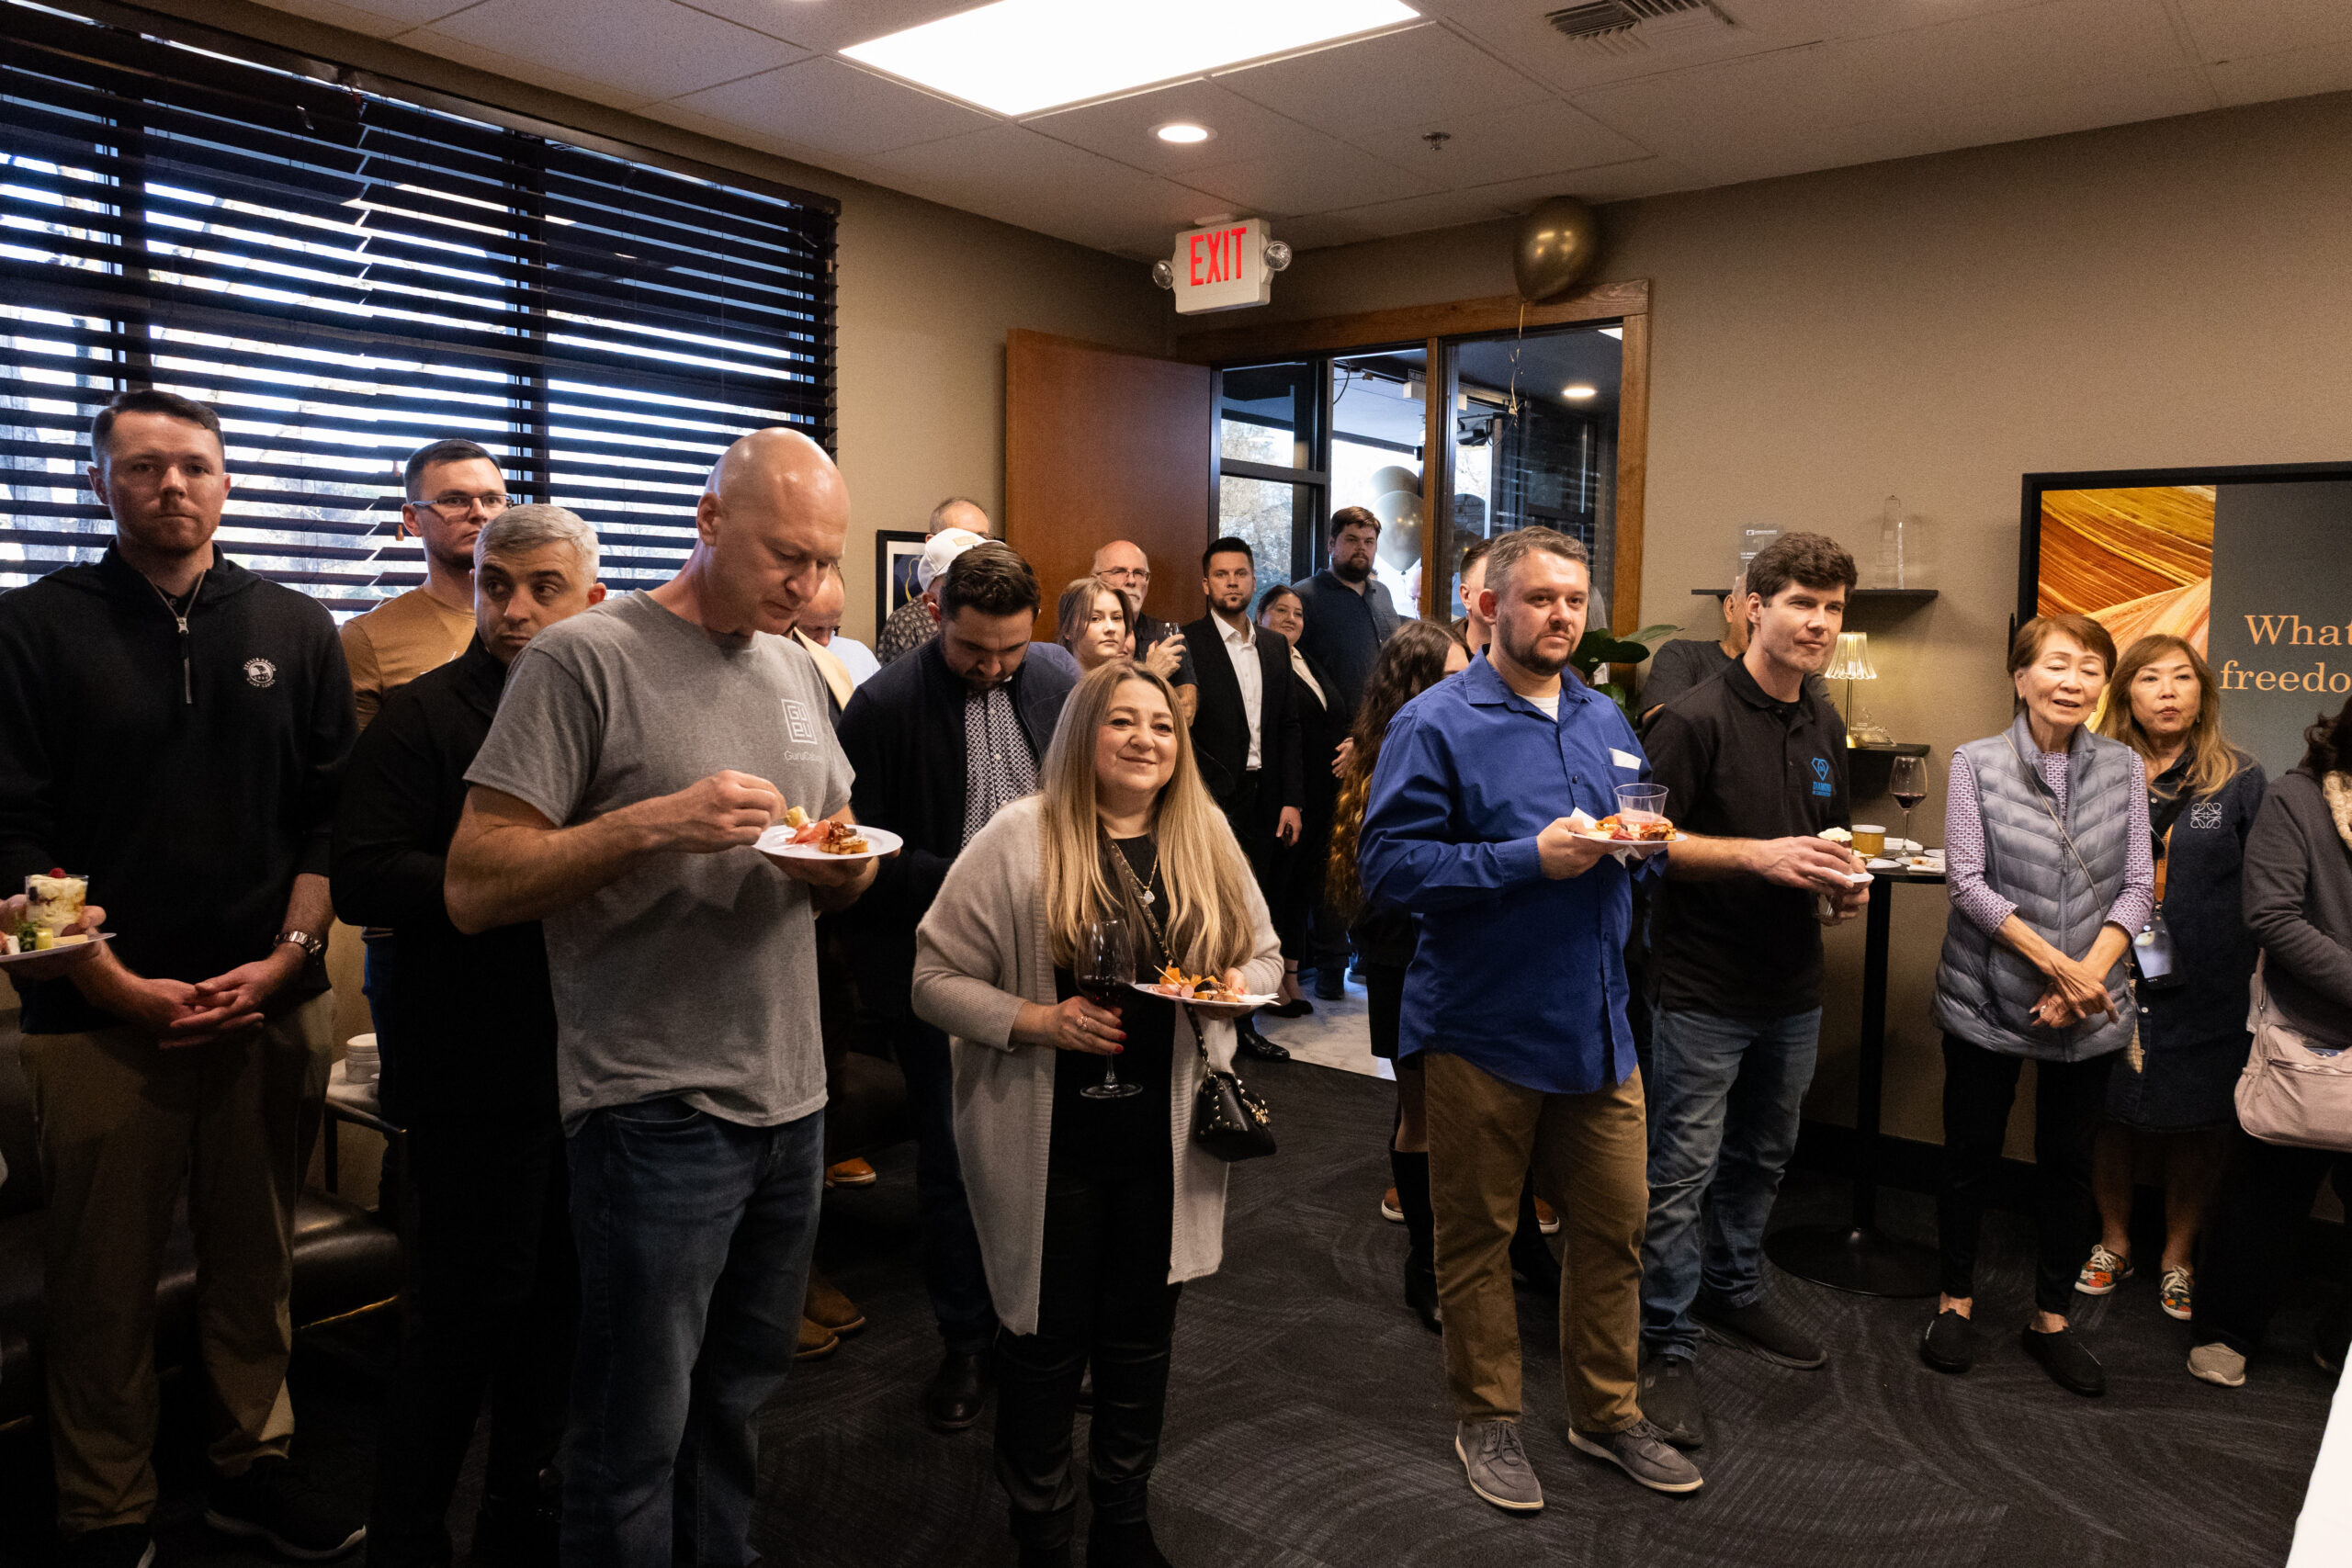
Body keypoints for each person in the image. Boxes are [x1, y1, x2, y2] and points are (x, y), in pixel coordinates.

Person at [444, 427, 876, 1568]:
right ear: (709, 521)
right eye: (787, 557)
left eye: (824, 562)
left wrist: (844, 872)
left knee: (737, 1400)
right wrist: (656, 823)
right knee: (633, 1428)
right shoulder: (582, 658)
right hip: (652, 1105)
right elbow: (475, 884)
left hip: (792, 1098)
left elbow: (840, 849)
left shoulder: (796, 665)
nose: (810, 586)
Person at [0, 389, 362, 1566]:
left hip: (268, 1003)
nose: (172, 486)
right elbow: (10, 835)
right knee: (100, 1282)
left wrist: (288, 961)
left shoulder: (296, 626)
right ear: (99, 482)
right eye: (144, 466)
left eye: (195, 465)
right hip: (96, 1019)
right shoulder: (31, 627)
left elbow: (329, 823)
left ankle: (253, 1461)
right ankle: (105, 1506)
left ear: (226, 480)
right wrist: (114, 985)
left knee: (256, 1261)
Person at [911, 661, 1283, 1568]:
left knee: (1140, 1342)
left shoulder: (1203, 835)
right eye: (1122, 721)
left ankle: (1121, 1524)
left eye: (1160, 725)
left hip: (1166, 1140)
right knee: (1044, 1344)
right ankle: (1040, 1527)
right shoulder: (1019, 837)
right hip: (1049, 1142)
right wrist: (1039, 1021)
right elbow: (931, 980)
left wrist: (1235, 985)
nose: (1145, 739)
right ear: (1084, 733)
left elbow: (1268, 959)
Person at [1360, 527, 1703, 1507]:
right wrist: (1527, 859)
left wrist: (1644, 850)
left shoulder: (1604, 716)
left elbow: (1639, 834)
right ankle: (1489, 1420)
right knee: (1477, 1238)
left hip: (1598, 1026)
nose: (1562, 616)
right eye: (1541, 598)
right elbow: (1389, 869)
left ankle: (1605, 1414)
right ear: (1489, 607)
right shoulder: (1435, 722)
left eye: (1574, 600)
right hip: (1482, 1028)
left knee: (1614, 1230)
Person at [332, 504, 606, 1568]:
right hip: (470, 1062)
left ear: (592, 596)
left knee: (559, 1309)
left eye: (543, 588)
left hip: (589, 1055)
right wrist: (502, 881)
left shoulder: (602, 707)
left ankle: (518, 1515)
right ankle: (406, 1536)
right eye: (497, 585)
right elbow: (362, 876)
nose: (515, 609)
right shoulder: (425, 716)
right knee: (458, 1317)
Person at [1633, 532, 1871, 1450]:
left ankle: (1730, 1289)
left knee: (1765, 1156)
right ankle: (1663, 1341)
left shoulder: (1823, 721)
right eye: (1802, 603)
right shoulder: (1690, 719)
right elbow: (1644, 846)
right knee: (1679, 1173)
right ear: (1754, 607)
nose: (1818, 623)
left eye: (1832, 608)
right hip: (1702, 986)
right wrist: (1758, 857)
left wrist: (1838, 884)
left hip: (1792, 985)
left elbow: (1825, 832)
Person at [836, 542, 1079, 1432]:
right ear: (937, 615)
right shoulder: (884, 705)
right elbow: (861, 853)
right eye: (975, 649)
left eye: (1011, 649)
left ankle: (1039, 1336)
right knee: (954, 1160)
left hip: (1054, 953)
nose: (994, 667)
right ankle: (966, 1341)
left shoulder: (1056, 678)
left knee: (1053, 1156)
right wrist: (989, 888)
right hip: (939, 959)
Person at [1922, 614, 2152, 1397]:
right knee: (1970, 1153)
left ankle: (2051, 1316)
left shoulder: (2124, 766)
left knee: (2067, 1163)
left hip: (2088, 998)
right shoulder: (1976, 761)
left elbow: (2138, 885)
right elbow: (1966, 881)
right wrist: (2056, 966)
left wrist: (2085, 978)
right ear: (2021, 677)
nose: (2072, 681)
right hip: (1987, 991)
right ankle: (1954, 1300)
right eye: (2057, 664)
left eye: (2090, 668)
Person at [2079, 635, 2266, 1323]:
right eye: (2150, 678)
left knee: (2198, 1120)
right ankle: (2114, 1241)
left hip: (2208, 982)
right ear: (2126, 692)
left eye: (2182, 678)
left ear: (2202, 693)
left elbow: (2265, 885)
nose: (2167, 691)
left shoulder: (2239, 778)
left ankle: (2179, 1255)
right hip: (2107, 970)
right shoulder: (2093, 770)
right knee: (2107, 1112)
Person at [2188, 694, 2352, 1389]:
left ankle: (2338, 1340)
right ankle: (2227, 1331)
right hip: (2307, 1035)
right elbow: (2273, 917)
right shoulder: (2298, 800)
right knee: (2264, 1200)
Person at [1329, 622, 1471, 1331]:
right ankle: (1426, 1264)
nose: (1467, 689)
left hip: (1460, 947)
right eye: (1451, 678)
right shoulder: (1385, 752)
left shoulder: (1462, 737)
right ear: (1412, 685)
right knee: (1421, 1114)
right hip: (1399, 950)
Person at [1182, 537, 1303, 1062]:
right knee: (1213, 909)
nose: (1231, 582)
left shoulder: (1274, 646)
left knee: (1260, 908)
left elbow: (1289, 726)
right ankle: (1205, 1019)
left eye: (1240, 574)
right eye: (1221, 574)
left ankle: (1246, 1021)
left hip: (1268, 797)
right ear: (1206, 583)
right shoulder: (1188, 643)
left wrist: (1293, 799)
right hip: (1209, 799)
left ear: (1254, 580)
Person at [345, 438, 507, 729]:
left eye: (492, 500)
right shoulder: (366, 640)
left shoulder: (549, 618)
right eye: (454, 500)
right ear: (412, 519)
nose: (479, 512)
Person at [1255, 583, 1351, 1014]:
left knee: (1302, 888)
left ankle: (1291, 976)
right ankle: (1270, 980)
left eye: (1297, 613)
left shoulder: (1307, 661)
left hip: (1323, 794)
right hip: (1285, 794)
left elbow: (1334, 715)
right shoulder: (1262, 661)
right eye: (1281, 610)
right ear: (1260, 617)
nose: (1291, 618)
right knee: (1278, 887)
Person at [1294, 506, 1402, 716]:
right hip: (1331, 726)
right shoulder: (1302, 596)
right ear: (1331, 544)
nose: (1361, 548)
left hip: (1384, 722)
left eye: (1369, 542)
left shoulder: (1383, 593)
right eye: (1352, 540)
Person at [876, 496, 991, 665]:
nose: (974, 547)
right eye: (960, 538)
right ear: (932, 543)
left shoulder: (1000, 608)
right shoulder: (908, 623)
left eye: (981, 538)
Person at [1091, 540, 1197, 719]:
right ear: (1095, 580)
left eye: (1140, 573)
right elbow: (1088, 715)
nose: (1131, 581)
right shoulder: (1084, 633)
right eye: (1119, 571)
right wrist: (1152, 675)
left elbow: (1186, 713)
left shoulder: (1166, 635)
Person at [1638, 575, 1747, 727]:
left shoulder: (1779, 677)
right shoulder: (1683, 655)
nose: (1763, 619)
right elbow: (1661, 724)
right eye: (1755, 607)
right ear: (1731, 608)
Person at [792, 567, 875, 710]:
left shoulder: (860, 656)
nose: (826, 641)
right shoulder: (772, 662)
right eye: (814, 629)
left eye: (833, 628)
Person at [1056, 575, 1137, 673]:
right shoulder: (1054, 680)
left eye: (1116, 618)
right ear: (1068, 629)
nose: (1111, 628)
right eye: (1095, 619)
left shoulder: (1131, 680)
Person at [1453, 536, 1495, 656]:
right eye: (1493, 583)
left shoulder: (1535, 651)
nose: (1508, 593)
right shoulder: (1439, 654)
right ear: (1466, 596)